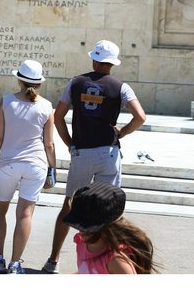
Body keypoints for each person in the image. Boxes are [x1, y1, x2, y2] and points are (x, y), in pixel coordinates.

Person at [42, 39, 146, 274]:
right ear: (113, 63)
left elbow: (58, 116)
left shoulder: (76, 82)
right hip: (108, 152)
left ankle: (53, 259)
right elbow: (140, 116)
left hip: (83, 151)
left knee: (69, 203)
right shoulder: (121, 87)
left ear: (94, 59)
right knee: (110, 208)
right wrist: (122, 132)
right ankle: (110, 259)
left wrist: (70, 142)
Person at [0, 60, 56, 274]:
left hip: (8, 164)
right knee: (25, 215)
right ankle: (15, 264)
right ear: (39, 82)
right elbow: (49, 144)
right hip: (36, 165)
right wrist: (52, 170)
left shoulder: (6, 101)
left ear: (19, 80)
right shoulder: (47, 106)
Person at [64, 182, 157, 274]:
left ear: (109, 226)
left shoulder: (117, 261)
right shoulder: (82, 242)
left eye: (86, 227)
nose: (81, 231)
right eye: (79, 224)